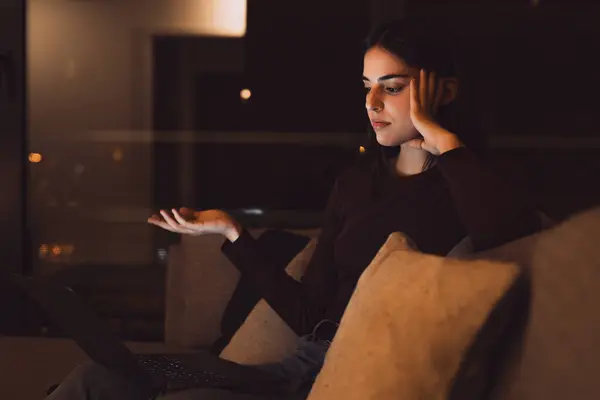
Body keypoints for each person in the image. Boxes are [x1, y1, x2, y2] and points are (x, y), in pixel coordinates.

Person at [46, 19, 541, 400]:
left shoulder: (477, 184)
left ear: (444, 91)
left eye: (392, 86)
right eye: (365, 85)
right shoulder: (354, 187)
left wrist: (442, 138)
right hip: (300, 367)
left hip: (353, 376)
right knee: (97, 378)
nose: (371, 102)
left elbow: (508, 236)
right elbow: (311, 315)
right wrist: (234, 234)